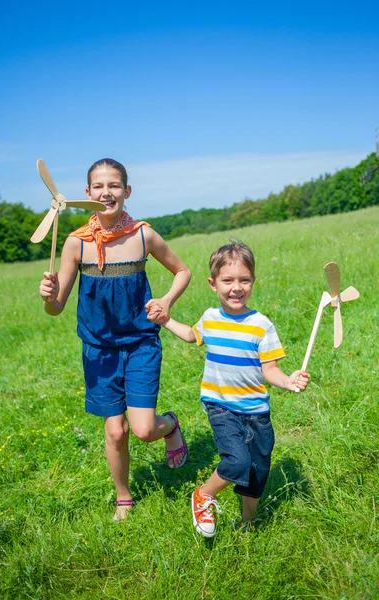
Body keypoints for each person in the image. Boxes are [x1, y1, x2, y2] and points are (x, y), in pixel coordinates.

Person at [39, 158, 191, 522]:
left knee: (141, 429)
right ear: (87, 193)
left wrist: (166, 302)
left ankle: (169, 425)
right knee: (115, 429)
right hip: (99, 351)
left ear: (127, 191)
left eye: (114, 185)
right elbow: (56, 308)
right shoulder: (76, 244)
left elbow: (183, 271)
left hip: (140, 343)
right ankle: (124, 496)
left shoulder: (143, 235)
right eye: (99, 186)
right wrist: (48, 295)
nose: (107, 192)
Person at [160, 240, 310, 537]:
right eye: (228, 280)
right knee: (237, 461)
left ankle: (247, 523)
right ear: (213, 284)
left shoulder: (261, 326)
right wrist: (165, 320)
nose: (236, 287)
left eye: (244, 280)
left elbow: (271, 371)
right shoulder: (210, 318)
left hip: (256, 412)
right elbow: (192, 335)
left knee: (256, 472)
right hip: (221, 405)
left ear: (253, 281)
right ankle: (204, 495)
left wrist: (288, 381)